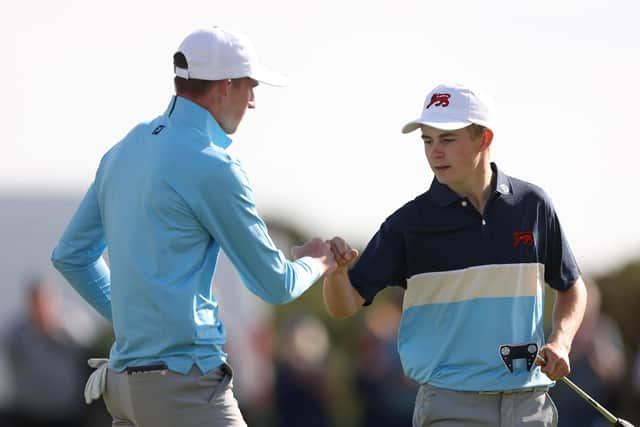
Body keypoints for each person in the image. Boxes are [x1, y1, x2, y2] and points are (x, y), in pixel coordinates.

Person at [51, 27, 336, 427]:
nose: (253, 101)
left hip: (123, 389)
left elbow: (71, 256)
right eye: (250, 87)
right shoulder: (213, 165)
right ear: (225, 86)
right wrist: (317, 262)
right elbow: (274, 284)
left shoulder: (123, 149)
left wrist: (134, 320)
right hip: (183, 389)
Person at [323, 82, 588, 426]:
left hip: (529, 405)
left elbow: (572, 286)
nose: (435, 152)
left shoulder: (532, 206)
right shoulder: (408, 224)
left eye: (447, 139)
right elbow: (343, 305)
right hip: (451, 406)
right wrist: (336, 273)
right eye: (427, 141)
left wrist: (561, 341)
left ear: (484, 138)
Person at [3, 278, 89, 427]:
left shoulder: (72, 324)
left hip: (67, 414)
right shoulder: (17, 331)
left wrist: (55, 331)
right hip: (27, 413)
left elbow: (87, 348)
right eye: (36, 302)